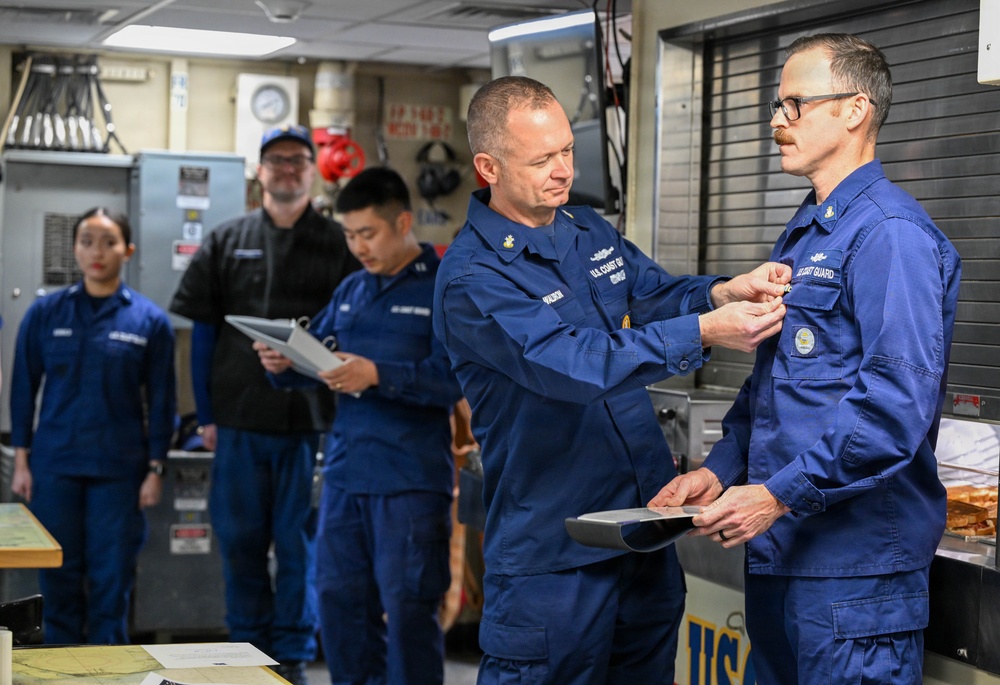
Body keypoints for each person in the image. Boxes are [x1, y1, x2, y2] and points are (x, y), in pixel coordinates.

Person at [432, 75, 790, 685]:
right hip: (554, 558)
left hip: (640, 534)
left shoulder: (585, 228)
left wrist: (721, 292)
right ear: (489, 167)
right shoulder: (472, 278)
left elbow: (651, 295)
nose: (562, 171)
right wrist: (705, 332)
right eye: (541, 160)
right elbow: (572, 364)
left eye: (568, 150)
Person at [649, 33, 962, 684]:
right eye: (776, 104)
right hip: (785, 554)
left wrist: (775, 495)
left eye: (794, 105)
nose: (776, 121)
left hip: (855, 577)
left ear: (854, 110)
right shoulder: (809, 231)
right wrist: (720, 471)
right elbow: (774, 387)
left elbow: (893, 407)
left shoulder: (890, 234)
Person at [255, 166, 463, 685]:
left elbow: (455, 380)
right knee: (340, 604)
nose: (358, 247)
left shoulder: (445, 288)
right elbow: (319, 359)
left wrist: (378, 375)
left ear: (403, 223)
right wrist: (283, 362)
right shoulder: (352, 288)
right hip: (347, 477)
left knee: (410, 610)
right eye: (349, 235)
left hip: (409, 481)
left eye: (367, 233)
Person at [169, 124, 358, 684]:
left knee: (300, 547)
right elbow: (203, 334)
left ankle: (293, 661)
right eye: (276, 160)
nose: (287, 168)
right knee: (240, 543)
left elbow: (355, 331)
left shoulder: (340, 243)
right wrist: (206, 416)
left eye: (298, 159)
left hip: (312, 424)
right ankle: (244, 657)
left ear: (313, 170)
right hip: (238, 423)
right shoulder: (227, 240)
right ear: (260, 171)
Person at [9, 207, 176, 644]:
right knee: (58, 579)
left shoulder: (149, 321)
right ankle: (61, 665)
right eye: (86, 242)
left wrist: (156, 469)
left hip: (119, 472)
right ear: (75, 249)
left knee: (111, 580)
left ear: (128, 250)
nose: (97, 252)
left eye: (108, 242)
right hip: (55, 468)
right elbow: (24, 389)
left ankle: (110, 667)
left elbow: (163, 402)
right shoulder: (46, 314)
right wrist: (22, 461)